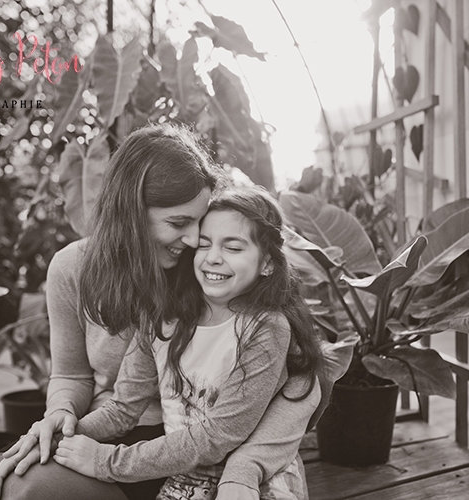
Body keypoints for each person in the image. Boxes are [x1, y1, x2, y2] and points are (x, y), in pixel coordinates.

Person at [0, 124, 322, 500]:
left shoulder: (210, 272)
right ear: (131, 213)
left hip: (171, 446)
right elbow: (73, 375)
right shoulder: (72, 268)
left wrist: (247, 466)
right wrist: (57, 418)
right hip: (104, 426)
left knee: (29, 491)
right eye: (179, 223)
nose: (194, 241)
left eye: (198, 224)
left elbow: (300, 378)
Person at [42, 186, 322, 500]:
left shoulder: (266, 328)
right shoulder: (163, 320)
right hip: (183, 483)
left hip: (251, 484)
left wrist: (106, 461)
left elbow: (219, 435)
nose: (213, 258)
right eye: (204, 244)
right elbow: (121, 409)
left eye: (233, 247)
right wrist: (63, 434)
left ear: (268, 263)